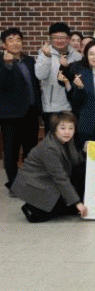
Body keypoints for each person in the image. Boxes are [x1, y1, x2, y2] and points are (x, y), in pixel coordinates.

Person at [11, 111, 87, 222]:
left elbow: (76, 162)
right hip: (36, 185)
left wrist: (84, 151)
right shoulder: (49, 148)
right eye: (62, 128)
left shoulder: (67, 141)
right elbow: (60, 179)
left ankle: (67, 204)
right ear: (54, 129)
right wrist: (77, 203)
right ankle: (31, 207)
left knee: (82, 169)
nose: (67, 132)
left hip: (49, 180)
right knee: (41, 216)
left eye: (71, 128)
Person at [1, 27, 42, 194]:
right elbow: (3, 85)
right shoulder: (2, 62)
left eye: (18, 39)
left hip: (31, 112)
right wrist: (7, 65)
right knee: (11, 151)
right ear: (4, 44)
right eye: (10, 40)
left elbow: (35, 85)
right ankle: (13, 185)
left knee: (30, 150)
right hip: (10, 115)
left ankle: (29, 182)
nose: (15, 43)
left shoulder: (29, 60)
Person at [35, 22, 82, 127]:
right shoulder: (44, 54)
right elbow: (40, 76)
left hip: (73, 106)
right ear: (50, 39)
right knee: (52, 136)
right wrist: (47, 57)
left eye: (62, 38)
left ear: (68, 39)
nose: (59, 41)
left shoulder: (77, 56)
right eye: (55, 38)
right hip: (52, 108)